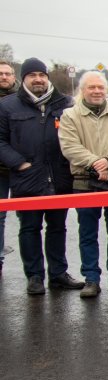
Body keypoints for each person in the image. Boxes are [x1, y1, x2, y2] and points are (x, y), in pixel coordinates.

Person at [0, 58, 83, 293]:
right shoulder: (8, 106)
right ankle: (34, 276)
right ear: (23, 78)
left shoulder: (65, 103)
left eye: (42, 75)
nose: (38, 79)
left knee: (58, 228)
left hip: (59, 176)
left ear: (47, 78)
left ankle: (58, 274)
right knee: (29, 228)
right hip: (27, 178)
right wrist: (18, 164)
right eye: (32, 75)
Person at [58, 71, 108, 298]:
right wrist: (94, 163)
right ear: (83, 90)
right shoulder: (69, 116)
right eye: (91, 87)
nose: (97, 91)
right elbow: (69, 147)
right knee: (88, 234)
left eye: (100, 87)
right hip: (84, 182)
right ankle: (91, 278)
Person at [0, 60, 20, 275]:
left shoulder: (21, 100)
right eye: (0, 73)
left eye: (8, 73)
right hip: (2, 169)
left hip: (21, 168)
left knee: (28, 217)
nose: (4, 77)